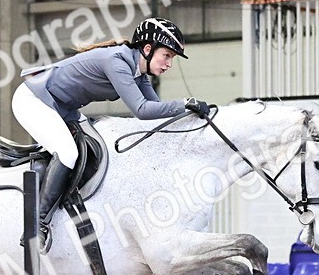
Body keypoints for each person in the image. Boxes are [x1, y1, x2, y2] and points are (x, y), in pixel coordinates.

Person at [12, 17, 210, 251]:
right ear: (148, 49)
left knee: (95, 144)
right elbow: (142, 111)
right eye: (166, 55)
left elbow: (157, 112)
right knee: (67, 152)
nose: (169, 64)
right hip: (34, 100)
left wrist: (191, 116)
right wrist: (185, 103)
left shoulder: (139, 73)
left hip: (64, 108)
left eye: (172, 58)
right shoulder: (117, 62)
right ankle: (38, 226)